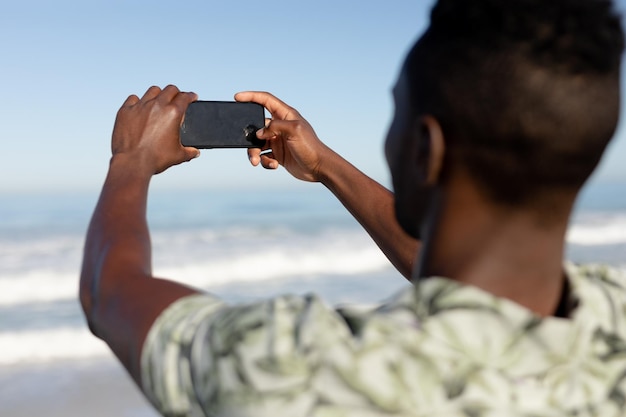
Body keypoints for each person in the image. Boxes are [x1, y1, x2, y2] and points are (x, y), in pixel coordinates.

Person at [80, 0, 626, 415]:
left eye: (395, 114)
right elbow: (458, 277)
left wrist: (131, 160)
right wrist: (323, 166)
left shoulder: (315, 368)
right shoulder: (612, 313)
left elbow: (110, 293)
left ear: (423, 150)